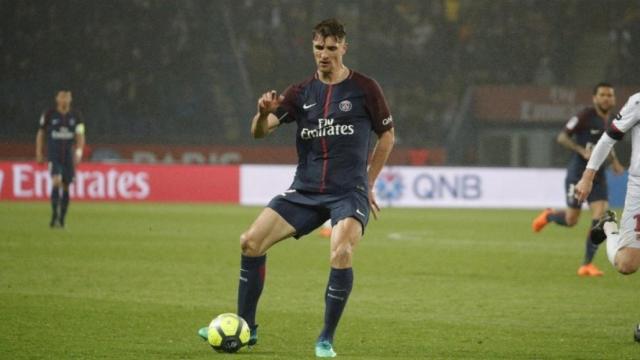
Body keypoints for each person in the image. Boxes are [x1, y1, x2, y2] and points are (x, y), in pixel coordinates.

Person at [198, 19, 395, 358]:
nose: (324, 54)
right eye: (319, 47)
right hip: (305, 191)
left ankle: (325, 339)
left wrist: (369, 182)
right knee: (250, 242)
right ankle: (246, 329)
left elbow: (387, 136)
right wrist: (262, 114)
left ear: (344, 48)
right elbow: (259, 132)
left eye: (332, 48)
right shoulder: (300, 92)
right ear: (312, 48)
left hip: (348, 191)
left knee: (341, 252)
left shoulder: (365, 88)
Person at [532, 83, 624, 276]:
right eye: (602, 95)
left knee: (600, 215)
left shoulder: (614, 120)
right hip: (578, 174)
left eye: (610, 95)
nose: (606, 98)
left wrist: (614, 162)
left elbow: (609, 144)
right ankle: (549, 215)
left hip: (598, 175)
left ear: (614, 99)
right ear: (595, 98)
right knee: (571, 220)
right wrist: (581, 150)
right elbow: (562, 137)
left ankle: (587, 264)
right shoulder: (585, 116)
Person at [575, 91, 640, 276]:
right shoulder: (637, 102)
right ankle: (609, 228)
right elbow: (607, 139)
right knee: (627, 264)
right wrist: (587, 177)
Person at [35, 90, 85, 228]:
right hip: (54, 155)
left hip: (68, 156)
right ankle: (54, 216)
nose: (64, 99)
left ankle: (62, 219)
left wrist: (79, 152)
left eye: (67, 97)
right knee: (56, 181)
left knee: (66, 186)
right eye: (62, 96)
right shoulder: (49, 114)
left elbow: (80, 135)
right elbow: (41, 133)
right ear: (57, 98)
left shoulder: (76, 116)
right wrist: (39, 152)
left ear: (70, 99)